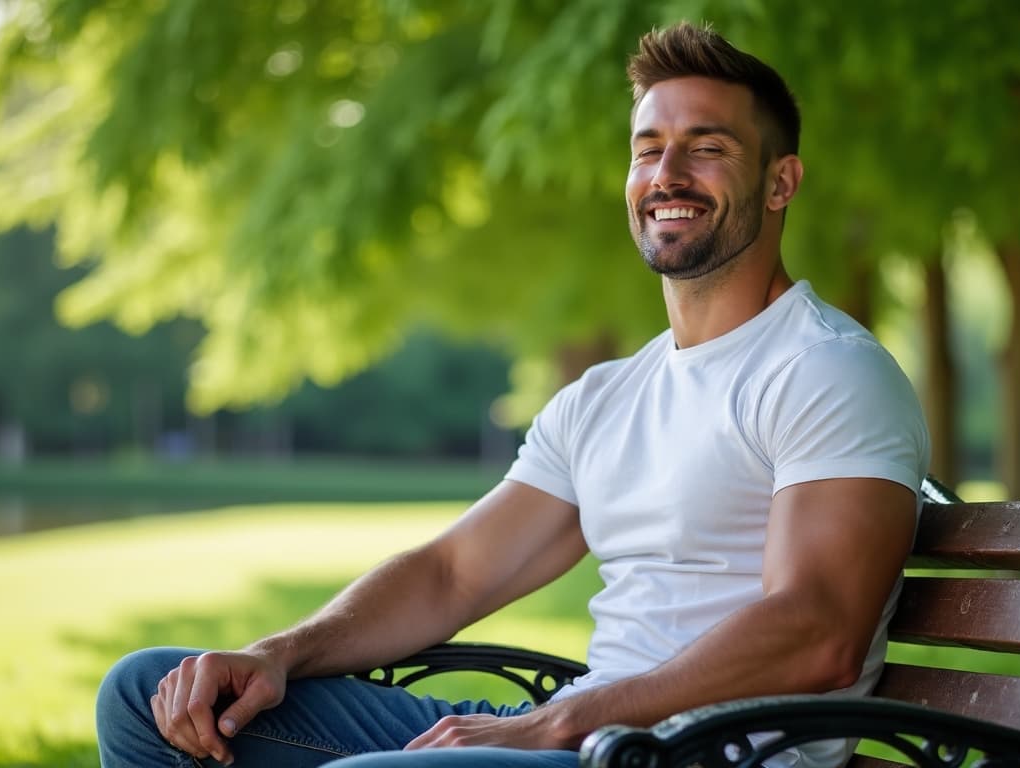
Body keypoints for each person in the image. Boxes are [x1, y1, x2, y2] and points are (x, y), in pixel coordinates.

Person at [96, 21, 930, 768]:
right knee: (147, 694)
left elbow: (818, 633)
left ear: (781, 182)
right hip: (589, 732)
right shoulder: (606, 396)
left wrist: (562, 722)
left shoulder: (824, 370)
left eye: (707, 147)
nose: (667, 173)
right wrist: (279, 654)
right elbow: (453, 574)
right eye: (648, 148)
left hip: (708, 752)